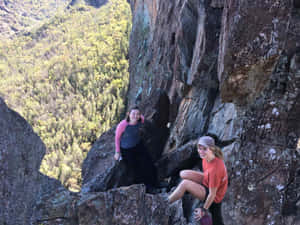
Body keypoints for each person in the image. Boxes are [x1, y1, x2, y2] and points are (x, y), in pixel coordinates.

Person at [168, 136, 228, 225]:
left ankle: (166, 202)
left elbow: (212, 194)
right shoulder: (207, 158)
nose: (201, 151)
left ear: (211, 149)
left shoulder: (214, 170)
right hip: (209, 181)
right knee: (183, 174)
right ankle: (185, 191)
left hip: (214, 196)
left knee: (185, 184)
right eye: (199, 148)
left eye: (204, 149)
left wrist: (203, 209)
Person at [114, 106, 157, 191]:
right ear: (128, 114)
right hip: (126, 149)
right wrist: (117, 152)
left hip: (138, 145)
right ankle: (145, 188)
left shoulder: (140, 120)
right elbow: (117, 138)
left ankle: (155, 183)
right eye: (133, 114)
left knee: (148, 163)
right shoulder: (123, 125)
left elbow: (144, 120)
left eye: (137, 114)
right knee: (135, 169)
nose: (135, 116)